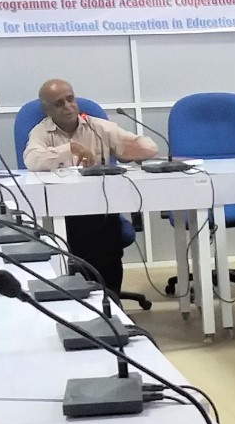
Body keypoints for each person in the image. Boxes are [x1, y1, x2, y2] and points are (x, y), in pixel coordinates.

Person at [23, 77, 157, 292]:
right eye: (59, 103)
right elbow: (32, 160)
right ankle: (86, 295)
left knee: (107, 233)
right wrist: (69, 149)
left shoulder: (97, 126)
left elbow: (148, 147)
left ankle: (111, 298)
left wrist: (134, 151)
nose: (68, 106)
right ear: (47, 110)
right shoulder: (41, 132)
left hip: (100, 208)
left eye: (70, 99)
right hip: (63, 211)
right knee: (85, 235)